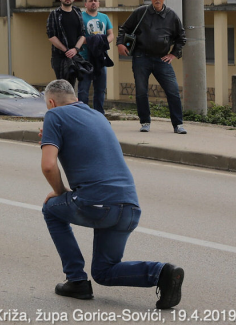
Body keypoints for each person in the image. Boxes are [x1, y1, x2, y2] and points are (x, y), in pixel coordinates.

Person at [39, 79, 184, 308]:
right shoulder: (98, 116)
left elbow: (48, 166)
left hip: (99, 205)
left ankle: (76, 280)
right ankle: (162, 272)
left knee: (51, 209)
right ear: (76, 98)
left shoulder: (54, 115)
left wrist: (60, 191)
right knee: (104, 272)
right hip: (129, 208)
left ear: (51, 103)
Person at [117, 0, 187, 134]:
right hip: (141, 57)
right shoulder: (140, 12)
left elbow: (181, 38)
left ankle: (178, 124)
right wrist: (120, 44)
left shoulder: (172, 16)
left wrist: (173, 54)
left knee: (173, 91)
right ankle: (145, 122)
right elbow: (124, 29)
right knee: (141, 91)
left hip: (162, 59)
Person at [77, 0, 114, 114]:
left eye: (95, 0)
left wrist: (102, 42)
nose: (93, 2)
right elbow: (78, 37)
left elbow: (111, 34)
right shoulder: (80, 17)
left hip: (100, 58)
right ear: (85, 4)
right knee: (83, 90)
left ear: (98, 3)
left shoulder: (104, 17)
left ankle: (99, 115)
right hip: (85, 59)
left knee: (100, 89)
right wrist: (92, 41)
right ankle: (83, 115)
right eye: (90, 0)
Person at [47, 0, 85, 89]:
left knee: (71, 86)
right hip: (60, 56)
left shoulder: (77, 12)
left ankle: (71, 100)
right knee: (62, 86)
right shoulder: (54, 14)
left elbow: (82, 34)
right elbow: (51, 36)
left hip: (75, 55)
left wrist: (75, 49)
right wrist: (66, 50)